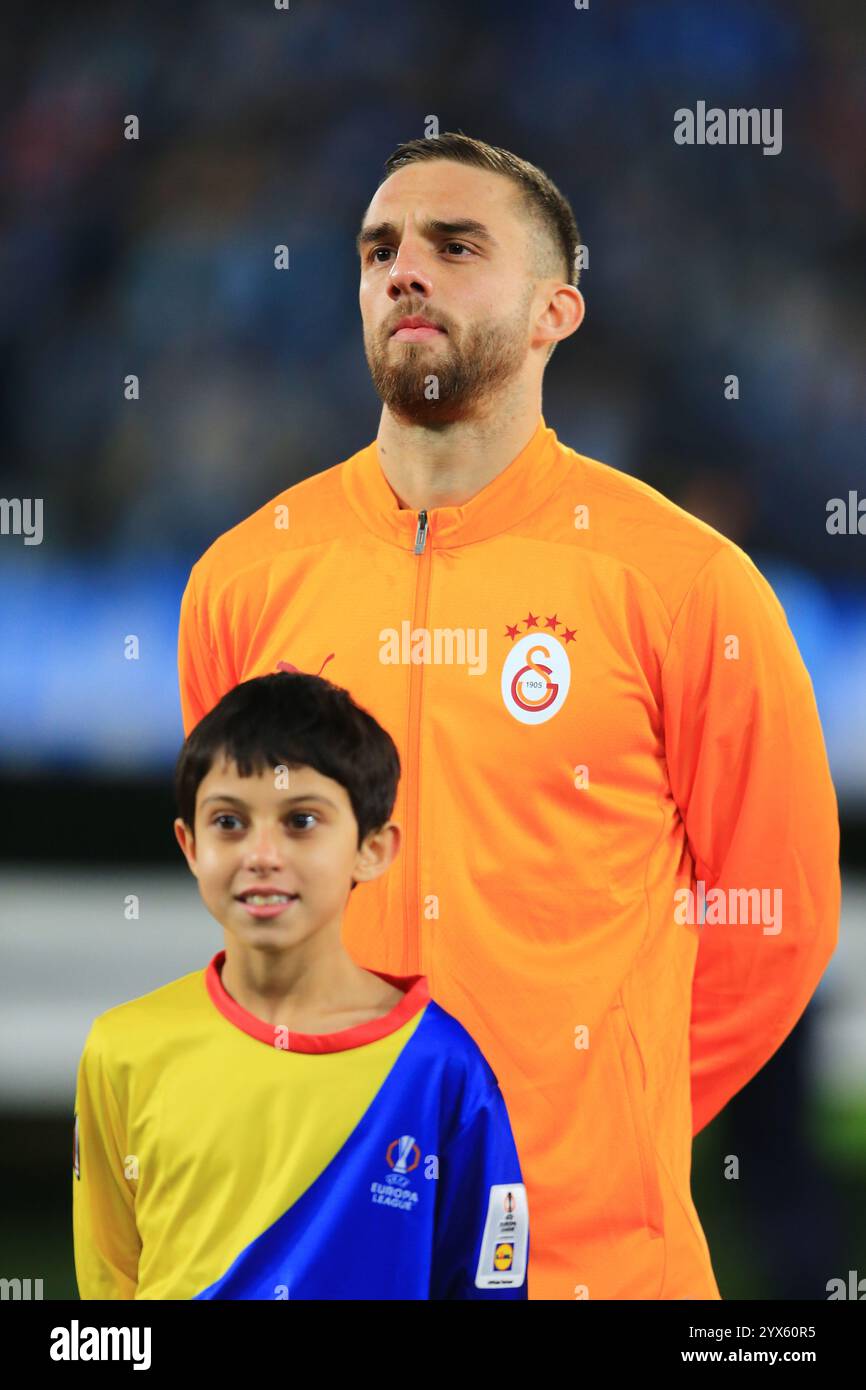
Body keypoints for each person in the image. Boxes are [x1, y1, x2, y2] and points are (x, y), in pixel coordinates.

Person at [177, 132, 841, 1299]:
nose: (404, 271)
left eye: (455, 244)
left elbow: (776, 922)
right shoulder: (244, 579)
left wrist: (586, 1128)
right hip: (319, 1253)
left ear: (553, 311)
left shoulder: (685, 584)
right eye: (379, 248)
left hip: (594, 1264)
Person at [72, 673, 528, 1300]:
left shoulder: (441, 1066)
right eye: (229, 821)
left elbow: (487, 1286)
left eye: (301, 820)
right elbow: (110, 1293)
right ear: (189, 845)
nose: (262, 853)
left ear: (372, 849)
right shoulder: (121, 1049)